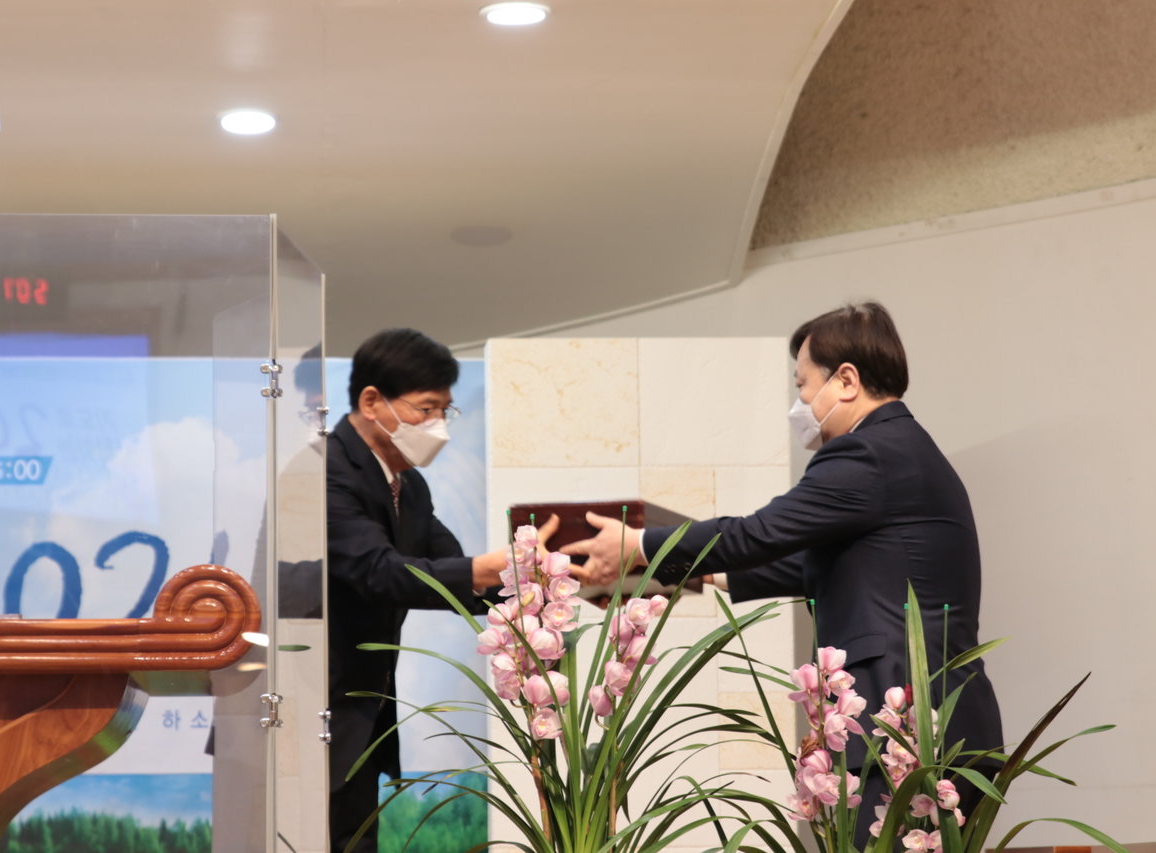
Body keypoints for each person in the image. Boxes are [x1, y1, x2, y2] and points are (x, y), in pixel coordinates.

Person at [562, 302, 1002, 844]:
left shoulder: (866, 453)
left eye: (803, 385)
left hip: (904, 732)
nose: (800, 403)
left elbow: (758, 533)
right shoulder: (905, 450)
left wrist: (640, 544)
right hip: (947, 725)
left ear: (846, 381)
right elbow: (809, 566)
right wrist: (660, 576)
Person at [326, 328, 553, 853]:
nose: (437, 425)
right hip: (311, 707)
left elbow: (455, 578)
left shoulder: (408, 485)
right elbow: (379, 573)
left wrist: (542, 587)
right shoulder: (327, 470)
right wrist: (486, 568)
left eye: (445, 411)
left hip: (363, 710)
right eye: (427, 408)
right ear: (371, 401)